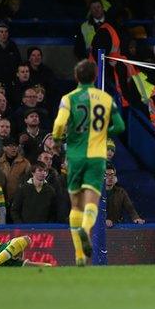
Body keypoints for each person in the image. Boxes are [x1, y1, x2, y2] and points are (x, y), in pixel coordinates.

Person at [52, 60, 125, 266]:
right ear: (94, 77)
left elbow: (58, 124)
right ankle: (86, 229)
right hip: (96, 156)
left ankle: (79, 256)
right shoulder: (105, 98)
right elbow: (119, 126)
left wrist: (58, 141)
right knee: (91, 201)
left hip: (75, 156)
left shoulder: (69, 98)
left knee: (76, 204)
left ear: (76, 77)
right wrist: (102, 134)